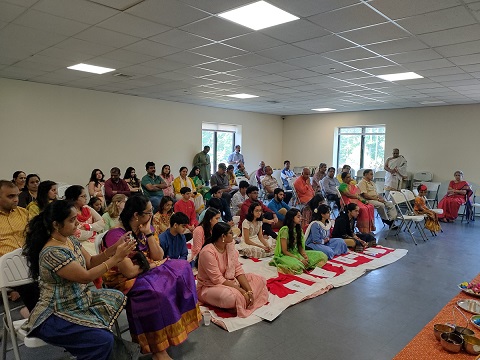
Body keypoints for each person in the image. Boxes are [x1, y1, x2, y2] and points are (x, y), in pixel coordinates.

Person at [22, 200, 136, 360]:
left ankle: (94, 342)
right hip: (55, 313)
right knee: (103, 340)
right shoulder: (52, 252)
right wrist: (116, 258)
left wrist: (114, 248)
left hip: (79, 301)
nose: (78, 223)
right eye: (71, 220)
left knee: (119, 297)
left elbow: (90, 263)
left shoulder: (69, 239)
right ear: (56, 224)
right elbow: (86, 276)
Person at [103, 195, 201, 359]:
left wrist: (148, 233)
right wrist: (152, 265)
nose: (151, 215)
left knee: (183, 269)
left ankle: (175, 327)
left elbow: (157, 255)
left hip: (146, 268)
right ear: (136, 215)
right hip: (125, 279)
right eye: (149, 212)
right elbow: (129, 272)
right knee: (157, 292)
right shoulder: (116, 235)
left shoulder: (145, 227)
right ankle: (158, 349)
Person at [196, 222, 268, 318]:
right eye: (230, 233)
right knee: (232, 297)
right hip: (210, 286)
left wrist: (249, 290)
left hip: (230, 281)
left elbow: (237, 269)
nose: (233, 236)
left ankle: (241, 301)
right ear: (223, 236)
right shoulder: (208, 252)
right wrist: (241, 291)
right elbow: (217, 279)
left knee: (260, 280)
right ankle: (238, 301)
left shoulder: (229, 246)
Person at [0, 180, 40, 316]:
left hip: (28, 260)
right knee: (31, 286)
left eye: (17, 195)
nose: (16, 199)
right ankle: (39, 318)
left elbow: (35, 236)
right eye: (10, 196)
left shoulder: (23, 213)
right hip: (6, 265)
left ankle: (37, 315)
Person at [269, 208, 327, 275]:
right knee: (297, 266)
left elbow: (300, 246)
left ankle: (304, 264)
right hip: (286, 255)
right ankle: (297, 265)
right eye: (298, 217)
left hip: (297, 253)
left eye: (301, 216)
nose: (301, 218)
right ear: (292, 218)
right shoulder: (285, 230)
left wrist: (305, 256)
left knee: (322, 256)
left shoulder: (298, 229)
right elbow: (284, 251)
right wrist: (299, 259)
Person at [65, 185, 105, 255]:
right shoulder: (69, 213)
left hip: (95, 240)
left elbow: (102, 222)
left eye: (85, 196)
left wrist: (89, 227)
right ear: (74, 198)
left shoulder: (87, 208)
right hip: (81, 244)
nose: (86, 198)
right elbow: (78, 235)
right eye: (83, 196)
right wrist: (94, 231)